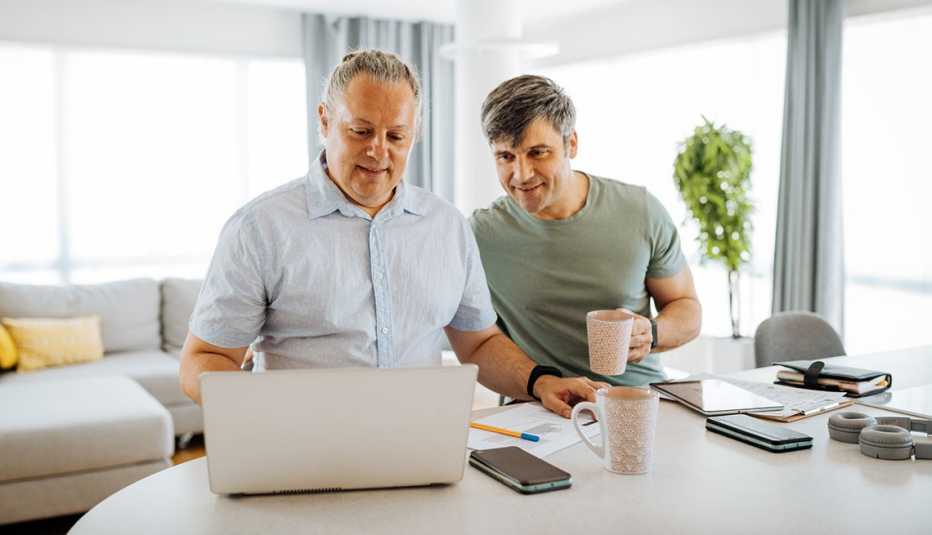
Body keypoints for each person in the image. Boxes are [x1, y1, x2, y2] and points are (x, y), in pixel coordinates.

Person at [179, 51, 608, 417]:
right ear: (325, 120)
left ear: (414, 134)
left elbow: (479, 344)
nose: (378, 150)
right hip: (301, 455)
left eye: (396, 135)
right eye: (361, 131)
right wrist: (266, 413)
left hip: (421, 451)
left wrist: (539, 382)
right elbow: (204, 359)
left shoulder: (447, 226)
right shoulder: (259, 229)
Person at [470, 75, 702, 387]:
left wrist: (652, 332)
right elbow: (478, 341)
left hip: (635, 400)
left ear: (572, 144)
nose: (521, 174)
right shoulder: (481, 235)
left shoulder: (640, 211)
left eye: (538, 153)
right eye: (506, 157)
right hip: (539, 410)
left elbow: (687, 308)